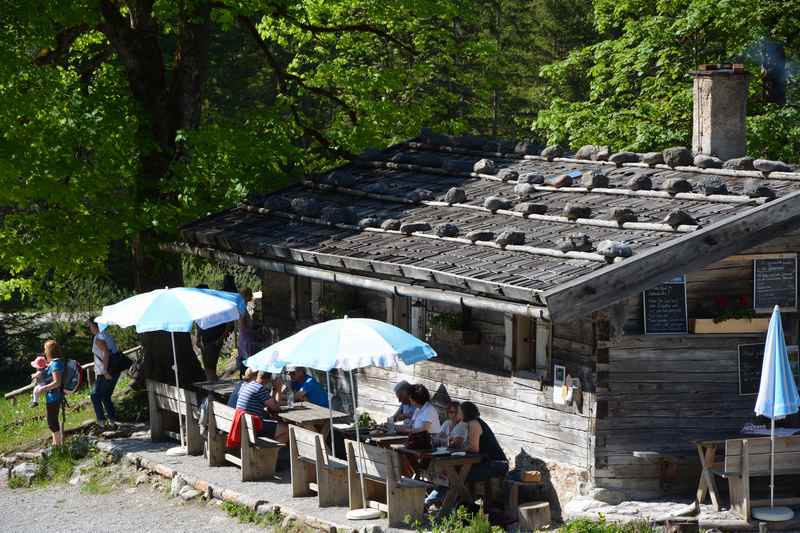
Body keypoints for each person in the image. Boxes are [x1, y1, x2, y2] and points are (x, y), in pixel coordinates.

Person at [461, 401, 508, 483]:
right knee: (457, 473)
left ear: (465, 413)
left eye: (458, 412)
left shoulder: (473, 423)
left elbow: (473, 449)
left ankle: (462, 495)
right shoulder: (470, 423)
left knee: (460, 475)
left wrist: (459, 448)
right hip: (488, 462)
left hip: (497, 464)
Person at [235, 371, 288, 443]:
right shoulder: (259, 389)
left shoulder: (249, 385)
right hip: (252, 426)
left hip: (243, 424)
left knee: (274, 420)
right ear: (268, 380)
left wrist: (274, 390)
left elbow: (271, 405)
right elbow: (275, 408)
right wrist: (278, 389)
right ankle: (273, 453)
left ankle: (272, 450)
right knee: (286, 429)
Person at [87, 319, 120, 429]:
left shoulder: (99, 337)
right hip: (115, 370)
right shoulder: (107, 335)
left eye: (91, 326)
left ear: (96, 326)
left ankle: (101, 423)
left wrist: (105, 370)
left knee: (95, 396)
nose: (90, 328)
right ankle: (112, 422)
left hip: (105, 372)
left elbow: (105, 352)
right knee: (106, 396)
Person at [195, 283, 232, 381]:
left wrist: (220, 339)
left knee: (210, 368)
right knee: (208, 368)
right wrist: (198, 338)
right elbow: (199, 322)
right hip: (205, 340)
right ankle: (212, 391)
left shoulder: (217, 304)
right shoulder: (200, 305)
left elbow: (228, 323)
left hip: (214, 340)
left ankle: (213, 392)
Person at [37, 340, 65, 446]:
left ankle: (57, 445)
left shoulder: (55, 364)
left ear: (49, 351)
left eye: (45, 349)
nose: (44, 352)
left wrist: (43, 388)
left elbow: (57, 382)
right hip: (54, 396)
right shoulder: (56, 362)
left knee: (52, 422)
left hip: (54, 396)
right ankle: (55, 444)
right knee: (52, 421)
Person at [236, 287, 256, 378]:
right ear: (246, 296)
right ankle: (248, 378)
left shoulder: (241, 307)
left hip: (242, 338)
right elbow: (243, 325)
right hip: (246, 338)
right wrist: (254, 332)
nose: (251, 297)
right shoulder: (242, 308)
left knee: (245, 358)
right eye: (250, 294)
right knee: (248, 360)